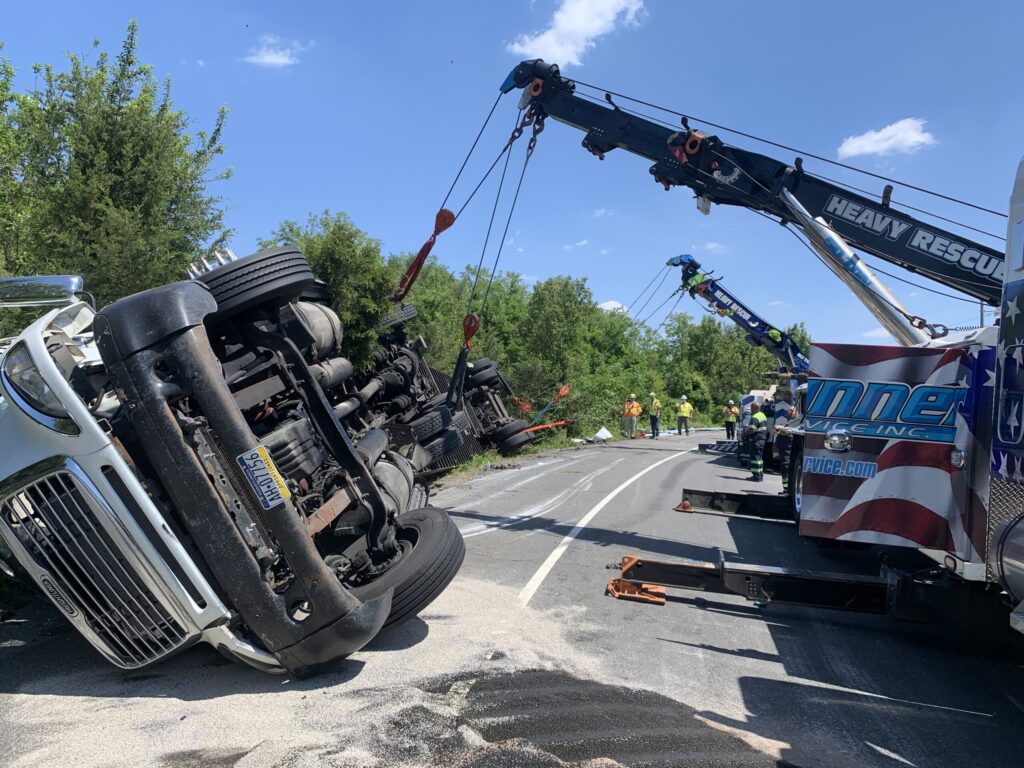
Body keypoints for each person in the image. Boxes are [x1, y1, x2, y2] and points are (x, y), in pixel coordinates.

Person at [775, 405, 797, 496]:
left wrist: (781, 430)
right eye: (788, 410)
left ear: (796, 412)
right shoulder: (788, 422)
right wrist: (779, 429)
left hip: (788, 450)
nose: (788, 412)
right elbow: (775, 431)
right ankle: (785, 489)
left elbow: (790, 434)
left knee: (786, 468)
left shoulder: (797, 422)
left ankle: (788, 490)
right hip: (783, 449)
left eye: (791, 410)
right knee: (783, 469)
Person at [744, 402, 768, 481]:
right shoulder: (762, 415)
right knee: (759, 458)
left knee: (755, 459)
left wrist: (745, 433)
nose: (751, 410)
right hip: (762, 439)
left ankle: (756, 476)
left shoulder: (755, 417)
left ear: (755, 408)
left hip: (756, 440)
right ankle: (760, 475)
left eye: (751, 408)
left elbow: (752, 429)